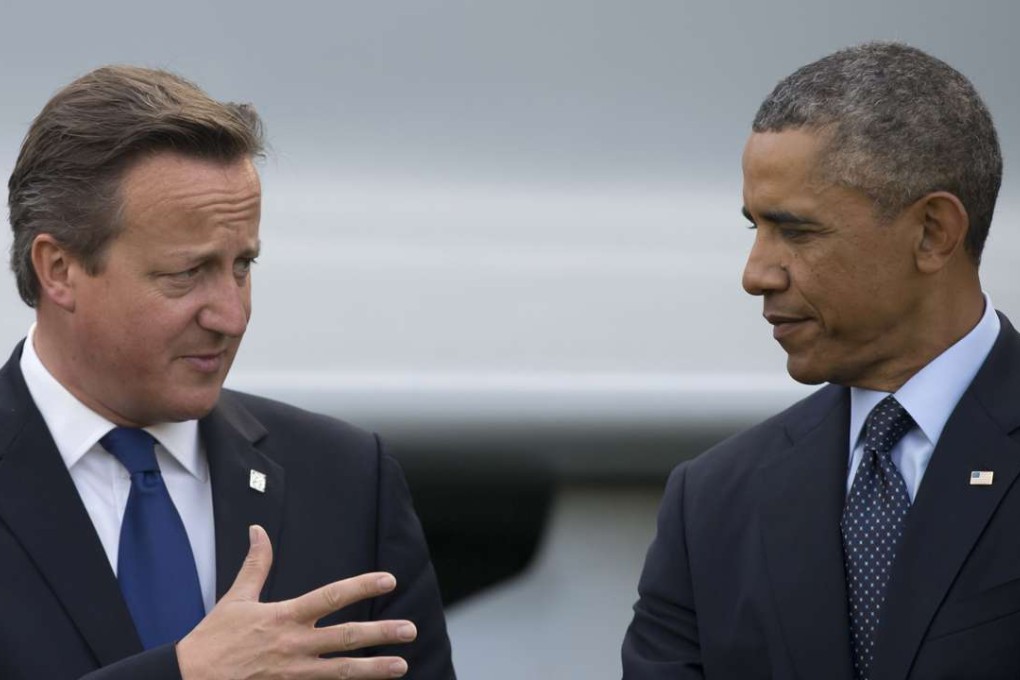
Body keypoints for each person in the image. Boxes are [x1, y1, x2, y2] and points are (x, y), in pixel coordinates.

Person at [0, 65, 454, 679]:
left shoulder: (347, 482)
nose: (233, 315)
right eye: (186, 274)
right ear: (58, 270)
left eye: (242, 266)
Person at [621, 42, 1019, 679]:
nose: (756, 275)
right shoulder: (713, 503)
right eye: (754, 227)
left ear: (933, 233)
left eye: (797, 232)